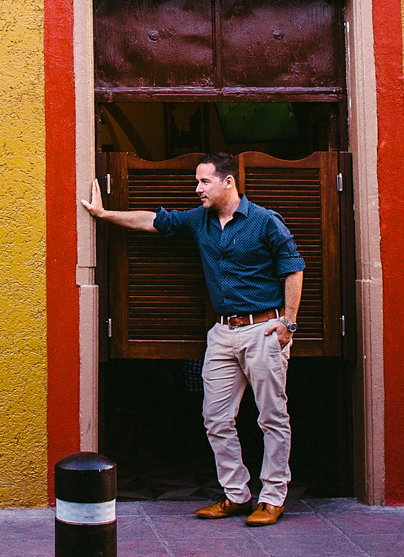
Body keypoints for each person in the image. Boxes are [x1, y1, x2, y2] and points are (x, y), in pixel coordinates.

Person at [81, 151, 304, 526]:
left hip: (263, 329)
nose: (197, 188)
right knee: (215, 418)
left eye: (204, 181)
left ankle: (273, 496)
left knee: (272, 417)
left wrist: (289, 324)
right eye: (197, 181)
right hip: (222, 333)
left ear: (228, 182)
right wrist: (105, 215)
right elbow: (154, 220)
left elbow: (293, 268)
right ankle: (236, 494)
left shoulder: (265, 222)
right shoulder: (199, 221)